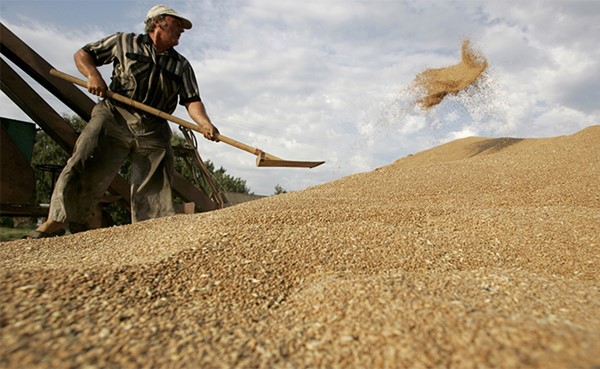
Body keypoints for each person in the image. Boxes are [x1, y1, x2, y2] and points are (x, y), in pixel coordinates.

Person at [24, 5, 219, 239]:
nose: (182, 30)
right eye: (177, 24)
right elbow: (83, 54)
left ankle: (149, 233)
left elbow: (192, 100)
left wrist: (205, 123)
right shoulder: (124, 42)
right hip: (115, 115)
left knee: (156, 181)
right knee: (86, 162)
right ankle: (55, 222)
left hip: (154, 125)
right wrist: (93, 75)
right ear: (158, 22)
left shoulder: (182, 65)